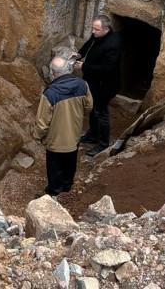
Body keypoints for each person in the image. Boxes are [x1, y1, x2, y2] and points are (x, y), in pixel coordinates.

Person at [33, 56, 92, 197]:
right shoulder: (83, 85)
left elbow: (42, 122)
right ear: (68, 69)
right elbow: (89, 107)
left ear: (53, 73)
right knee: (70, 161)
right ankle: (67, 185)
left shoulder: (50, 93)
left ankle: (53, 191)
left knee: (55, 166)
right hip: (74, 134)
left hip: (56, 139)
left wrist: (37, 136)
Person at [75, 15, 122, 157]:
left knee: (101, 113)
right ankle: (92, 135)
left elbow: (107, 69)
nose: (93, 32)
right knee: (93, 109)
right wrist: (78, 54)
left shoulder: (113, 45)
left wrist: (84, 66)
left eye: (96, 29)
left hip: (105, 85)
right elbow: (89, 44)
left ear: (106, 29)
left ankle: (102, 144)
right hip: (94, 82)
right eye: (92, 28)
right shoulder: (98, 35)